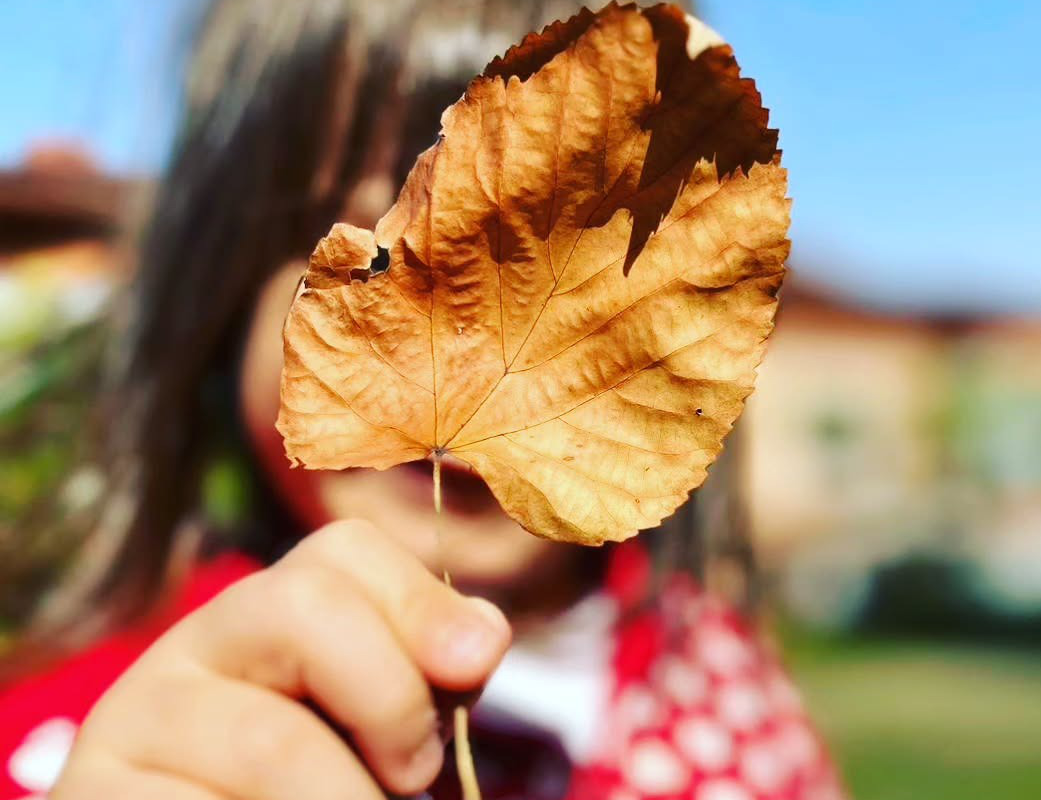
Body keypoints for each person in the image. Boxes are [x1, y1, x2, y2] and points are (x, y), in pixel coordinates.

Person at [0, 1, 845, 798]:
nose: (474, 352)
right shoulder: (111, 742)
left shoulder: (725, 690)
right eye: (385, 259)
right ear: (222, 288)